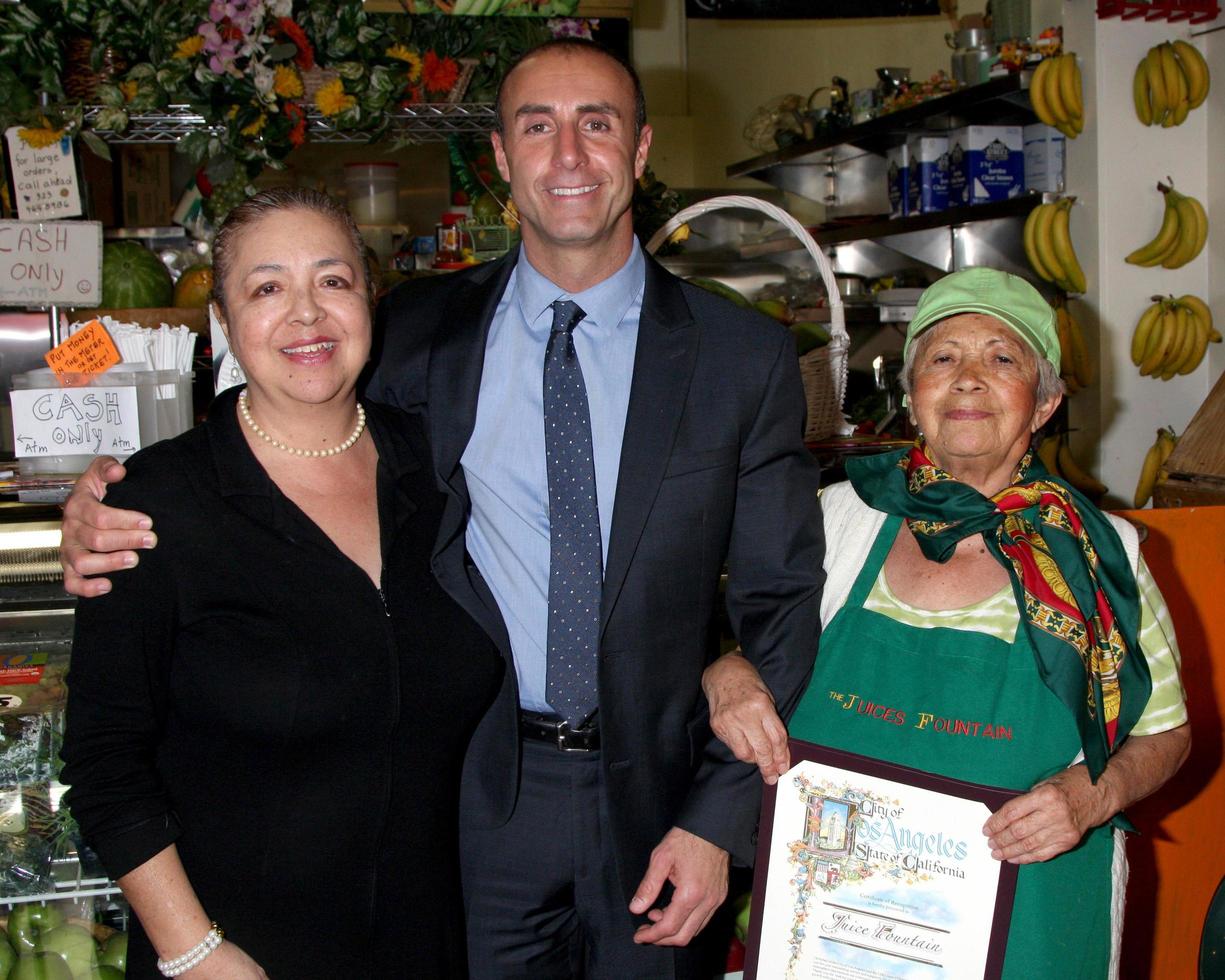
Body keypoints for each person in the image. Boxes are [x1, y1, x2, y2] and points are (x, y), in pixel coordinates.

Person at [59, 39, 824, 979]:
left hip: (660, 807)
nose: (568, 155)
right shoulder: (416, 337)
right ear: (501, 158)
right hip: (464, 804)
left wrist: (715, 814)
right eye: (536, 127)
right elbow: (284, 402)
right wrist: (108, 495)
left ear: (641, 148)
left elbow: (779, 599)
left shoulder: (740, 357)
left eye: (598, 124)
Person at [60, 188, 502, 979]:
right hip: (233, 957)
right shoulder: (155, 506)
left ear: (370, 300)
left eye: (332, 281)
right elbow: (103, 764)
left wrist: (717, 659)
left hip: (425, 945)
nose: (306, 315)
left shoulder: (442, 470)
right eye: (267, 288)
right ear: (224, 324)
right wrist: (193, 952)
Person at [702, 267, 1192, 979]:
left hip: (1028, 922)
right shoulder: (837, 518)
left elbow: (1166, 732)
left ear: (1045, 401)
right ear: (911, 397)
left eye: (1001, 358)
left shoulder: (1098, 555)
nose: (967, 378)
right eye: (941, 357)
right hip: (834, 926)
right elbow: (746, 656)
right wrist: (726, 673)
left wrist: (1094, 793)